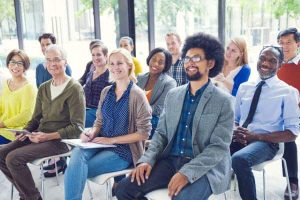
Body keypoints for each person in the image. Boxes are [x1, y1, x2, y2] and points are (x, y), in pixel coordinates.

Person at [116, 32, 234, 200]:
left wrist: (187, 173)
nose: (190, 63)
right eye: (187, 58)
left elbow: (218, 148)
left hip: (205, 167)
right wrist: (147, 159)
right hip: (171, 161)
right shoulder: (174, 95)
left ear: (211, 63)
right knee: (123, 189)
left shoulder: (224, 101)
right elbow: (161, 133)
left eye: (196, 58)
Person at [64, 48, 152, 200]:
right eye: (111, 64)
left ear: (129, 66)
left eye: (119, 63)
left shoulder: (136, 94)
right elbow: (99, 121)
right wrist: (92, 132)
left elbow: (144, 133)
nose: (115, 67)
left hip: (124, 151)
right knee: (77, 154)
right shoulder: (106, 91)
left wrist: (112, 140)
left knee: (75, 170)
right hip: (100, 143)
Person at [0, 44, 85, 200]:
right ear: (45, 64)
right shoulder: (44, 88)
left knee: (13, 158)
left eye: (57, 59)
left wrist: (47, 136)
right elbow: (35, 119)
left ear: (65, 62)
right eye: (49, 60)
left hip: (61, 140)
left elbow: (78, 128)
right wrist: (25, 132)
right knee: (1, 154)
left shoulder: (74, 88)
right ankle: (28, 195)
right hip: (39, 136)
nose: (53, 63)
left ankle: (31, 197)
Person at [231, 46, 300, 200]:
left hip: (266, 143)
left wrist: (256, 136)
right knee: (206, 146)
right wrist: (235, 130)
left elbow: (292, 134)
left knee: (239, 160)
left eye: (272, 61)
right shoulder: (244, 87)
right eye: (263, 58)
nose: (265, 63)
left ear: (280, 65)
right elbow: (235, 119)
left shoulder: (288, 92)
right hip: (239, 138)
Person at [277, 27, 300, 199]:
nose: (284, 46)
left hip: (296, 112)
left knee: (288, 132)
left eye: (289, 43)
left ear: (298, 44)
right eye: (282, 43)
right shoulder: (277, 63)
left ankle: (293, 181)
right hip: (280, 112)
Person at [137, 47, 176, 138]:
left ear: (165, 65)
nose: (155, 64)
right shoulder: (140, 77)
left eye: (160, 62)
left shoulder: (169, 82)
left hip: (154, 119)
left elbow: (160, 109)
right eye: (153, 59)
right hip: (137, 117)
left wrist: (137, 111)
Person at [0, 49, 37, 144]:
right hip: (2, 129)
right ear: (8, 64)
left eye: (20, 63)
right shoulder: (6, 83)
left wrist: (3, 124)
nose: (15, 66)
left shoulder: (29, 87)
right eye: (12, 62)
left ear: (25, 67)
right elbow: (1, 107)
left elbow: (25, 115)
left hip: (16, 133)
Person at [82, 42, 111, 127]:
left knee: (80, 122)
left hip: (99, 112)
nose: (95, 58)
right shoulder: (91, 72)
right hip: (85, 109)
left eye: (98, 55)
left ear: (106, 56)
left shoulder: (110, 75)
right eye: (93, 55)